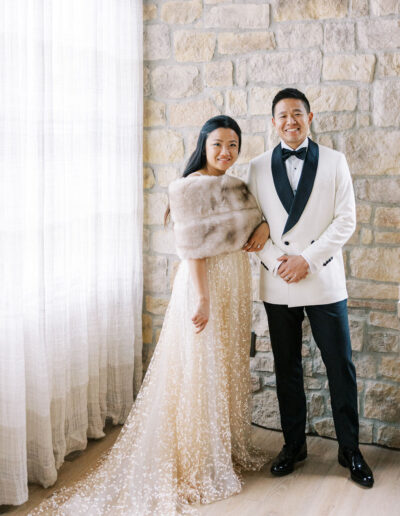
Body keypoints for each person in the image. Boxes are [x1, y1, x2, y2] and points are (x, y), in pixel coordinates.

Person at [30, 115, 270, 516]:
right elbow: (193, 250)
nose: (225, 152)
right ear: (203, 146)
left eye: (233, 145)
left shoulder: (237, 186)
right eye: (217, 145)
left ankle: (219, 448)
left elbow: (250, 227)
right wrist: (202, 299)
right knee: (199, 369)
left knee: (224, 366)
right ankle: (195, 463)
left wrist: (261, 226)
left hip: (234, 284)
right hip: (205, 286)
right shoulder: (187, 188)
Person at [247, 88, 374, 488]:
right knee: (287, 369)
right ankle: (293, 446)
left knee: (341, 367)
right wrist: (277, 262)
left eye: (297, 113)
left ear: (310, 116)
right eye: (282, 115)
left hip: (323, 280)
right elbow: (251, 225)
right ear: (273, 122)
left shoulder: (335, 162)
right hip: (278, 282)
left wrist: (309, 259)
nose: (290, 121)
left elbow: (346, 220)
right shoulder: (255, 167)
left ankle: (350, 450)